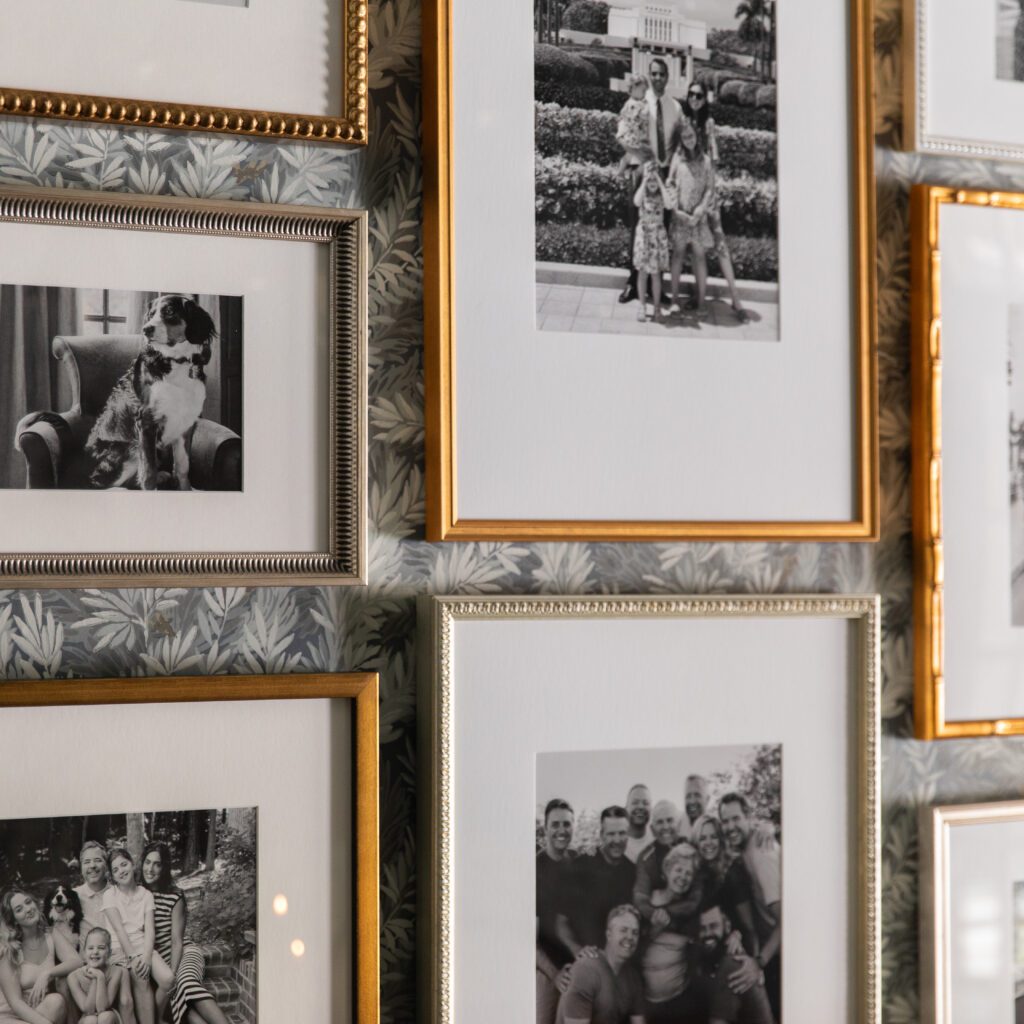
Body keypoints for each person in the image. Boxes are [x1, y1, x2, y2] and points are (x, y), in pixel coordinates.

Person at [682, 83, 750, 323]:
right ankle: (697, 295)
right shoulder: (683, 121)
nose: (694, 99)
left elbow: (715, 157)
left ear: (705, 99)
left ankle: (736, 298)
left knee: (720, 244)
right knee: (694, 246)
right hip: (690, 191)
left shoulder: (708, 124)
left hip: (708, 193)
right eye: (691, 94)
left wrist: (710, 193)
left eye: (699, 95)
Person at [139, 843, 229, 1024]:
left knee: (185, 985)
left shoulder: (175, 896)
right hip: (158, 962)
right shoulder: (137, 894)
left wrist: (172, 974)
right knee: (180, 1003)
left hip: (183, 954)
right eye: (147, 862)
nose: (150, 869)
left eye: (157, 864)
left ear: (164, 868)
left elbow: (176, 941)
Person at [619, 57, 682, 304]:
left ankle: (657, 286)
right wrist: (641, 157)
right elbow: (622, 135)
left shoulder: (676, 108)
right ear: (649, 76)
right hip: (641, 171)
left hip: (663, 175)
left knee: (660, 231)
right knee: (637, 228)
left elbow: (679, 144)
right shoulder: (637, 102)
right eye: (653, 74)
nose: (657, 78)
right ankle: (633, 284)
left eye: (661, 74)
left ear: (667, 77)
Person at [719, 795, 780, 1019]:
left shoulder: (762, 854)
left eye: (736, 819)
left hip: (781, 955)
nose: (730, 826)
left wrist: (759, 963)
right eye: (725, 821)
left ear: (749, 818)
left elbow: (787, 920)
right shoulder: (747, 849)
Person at [101, 850, 172, 1024]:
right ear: (112, 876)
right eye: (116, 869)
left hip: (142, 946)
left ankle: (157, 1017)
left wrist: (146, 957)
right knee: (141, 979)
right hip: (120, 947)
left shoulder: (146, 895)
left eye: (124, 864)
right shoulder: (110, 895)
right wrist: (133, 957)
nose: (121, 871)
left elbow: (150, 930)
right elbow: (118, 930)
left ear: (132, 864)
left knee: (168, 979)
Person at [641, 842, 705, 1023]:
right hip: (646, 1003)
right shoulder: (648, 901)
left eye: (689, 873)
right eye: (679, 870)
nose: (683, 877)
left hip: (679, 1000)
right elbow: (633, 949)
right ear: (668, 869)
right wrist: (655, 929)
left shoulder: (690, 912)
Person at [555, 905, 645, 1024]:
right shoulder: (586, 970)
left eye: (635, 933)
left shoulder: (633, 978)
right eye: (623, 930)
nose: (630, 937)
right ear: (609, 934)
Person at [0, 890, 76, 1024]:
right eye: (19, 909)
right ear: (14, 920)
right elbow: (15, 1003)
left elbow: (76, 961)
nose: (28, 909)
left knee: (56, 1001)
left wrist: (48, 973)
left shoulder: (50, 934)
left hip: (41, 1010)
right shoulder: (9, 948)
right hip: (12, 1016)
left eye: (28, 902)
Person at [568, 808, 636, 950]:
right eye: (611, 834)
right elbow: (560, 922)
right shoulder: (580, 866)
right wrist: (577, 953)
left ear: (628, 835)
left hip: (618, 960)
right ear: (601, 835)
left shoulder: (632, 871)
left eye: (622, 833)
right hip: (585, 959)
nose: (617, 840)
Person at [666, 119, 715, 317]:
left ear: (697, 136)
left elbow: (710, 189)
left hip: (697, 219)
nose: (689, 140)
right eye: (685, 137)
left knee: (699, 256)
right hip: (680, 217)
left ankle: (701, 302)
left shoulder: (706, 161)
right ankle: (675, 299)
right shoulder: (677, 159)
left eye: (691, 136)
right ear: (680, 139)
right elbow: (669, 183)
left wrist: (701, 209)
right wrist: (675, 209)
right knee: (677, 255)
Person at [692, 815, 759, 957]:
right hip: (708, 943)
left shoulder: (733, 872)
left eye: (713, 837)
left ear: (721, 840)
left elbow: (749, 927)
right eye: (702, 838)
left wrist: (755, 963)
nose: (708, 843)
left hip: (734, 945)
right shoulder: (698, 871)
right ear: (696, 843)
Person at [538, 799, 579, 1024]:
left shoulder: (577, 862)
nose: (561, 830)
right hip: (545, 970)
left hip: (575, 965)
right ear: (546, 827)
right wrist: (555, 975)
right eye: (555, 824)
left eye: (566, 824)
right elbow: (527, 938)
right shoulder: (534, 869)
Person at [697, 905, 773, 1024]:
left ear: (727, 926)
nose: (707, 933)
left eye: (714, 926)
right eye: (702, 928)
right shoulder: (710, 961)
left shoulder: (732, 964)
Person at [632, 164, 672, 323]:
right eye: (650, 180)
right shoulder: (643, 194)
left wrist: (661, 184)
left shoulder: (662, 195)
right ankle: (642, 305)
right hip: (644, 237)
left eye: (655, 180)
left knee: (656, 274)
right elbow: (636, 202)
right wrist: (644, 181)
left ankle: (656, 307)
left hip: (657, 237)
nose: (652, 183)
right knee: (642, 272)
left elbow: (669, 205)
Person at [67, 928, 131, 1024]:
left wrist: (100, 977)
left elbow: (102, 1008)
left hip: (109, 1017)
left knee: (105, 1017)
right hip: (87, 1018)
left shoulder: (116, 971)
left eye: (101, 948)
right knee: (90, 1020)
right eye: (90, 948)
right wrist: (94, 979)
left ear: (109, 953)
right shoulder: (73, 977)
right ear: (84, 952)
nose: (95, 952)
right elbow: (88, 1010)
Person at [632, 801, 680, 921]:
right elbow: (640, 899)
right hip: (659, 923)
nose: (665, 827)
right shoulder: (646, 858)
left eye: (669, 820)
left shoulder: (690, 848)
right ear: (652, 829)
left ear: (678, 824)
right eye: (660, 822)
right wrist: (655, 915)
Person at [75, 844, 113, 951]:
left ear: (106, 865)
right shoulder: (73, 897)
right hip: (85, 962)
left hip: (116, 960)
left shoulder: (117, 894)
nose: (92, 865)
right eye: (86, 862)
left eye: (97, 860)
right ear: (81, 868)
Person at [616, 75, 650, 174]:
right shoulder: (633, 104)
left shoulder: (632, 103)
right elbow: (640, 116)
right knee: (642, 157)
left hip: (632, 135)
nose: (645, 93)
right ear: (634, 88)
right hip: (633, 136)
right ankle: (625, 172)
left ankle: (621, 172)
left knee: (629, 156)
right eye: (643, 90)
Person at [623, 787, 651, 863]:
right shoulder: (618, 842)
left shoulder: (657, 839)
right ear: (626, 808)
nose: (641, 807)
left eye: (645, 803)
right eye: (635, 802)